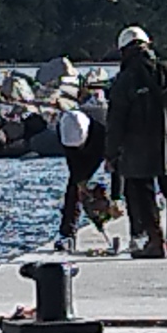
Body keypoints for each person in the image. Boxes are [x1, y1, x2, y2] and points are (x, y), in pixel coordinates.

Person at [101, 26, 167, 259]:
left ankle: (156, 243)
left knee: (143, 197)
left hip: (137, 151)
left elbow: (115, 122)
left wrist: (111, 154)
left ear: (123, 50)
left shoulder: (123, 81)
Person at [49, 87, 107, 252]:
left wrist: (116, 197)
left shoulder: (104, 128)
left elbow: (118, 169)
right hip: (78, 146)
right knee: (74, 187)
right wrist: (82, 185)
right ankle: (67, 233)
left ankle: (139, 232)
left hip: (107, 144)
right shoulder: (66, 126)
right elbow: (74, 166)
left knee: (132, 182)